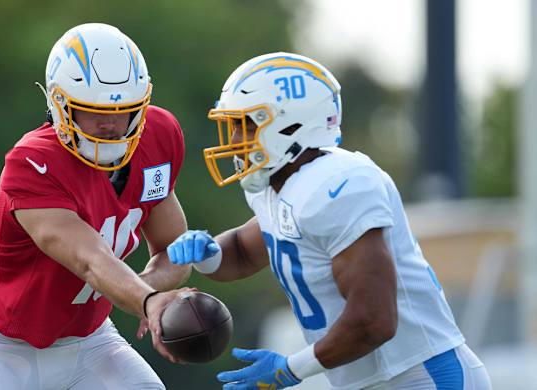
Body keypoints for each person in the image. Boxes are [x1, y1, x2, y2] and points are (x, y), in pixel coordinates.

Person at [168, 52, 492, 390]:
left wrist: (290, 368)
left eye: (247, 124)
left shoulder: (340, 186)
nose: (235, 141)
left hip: (421, 375)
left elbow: (374, 320)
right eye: (234, 126)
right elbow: (245, 252)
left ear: (292, 124)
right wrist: (207, 254)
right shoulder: (278, 185)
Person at [0, 23, 194, 390]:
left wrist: (145, 292)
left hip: (91, 342)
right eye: (93, 110)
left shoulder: (158, 137)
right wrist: (147, 301)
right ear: (60, 104)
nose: (112, 125)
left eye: (125, 110)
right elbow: (89, 260)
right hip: (2, 346)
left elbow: (174, 251)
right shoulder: (32, 162)